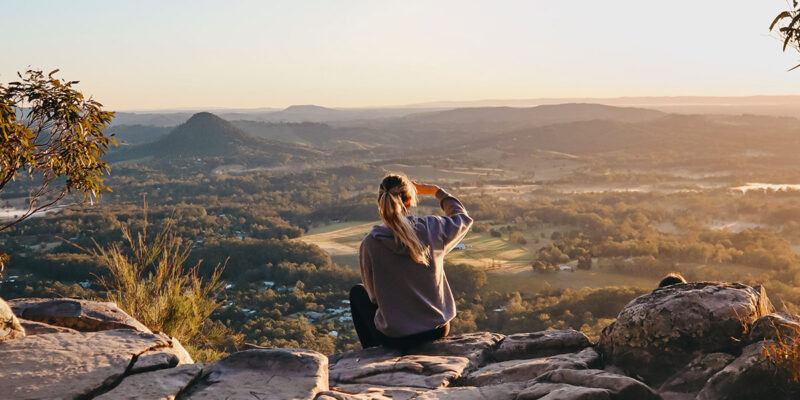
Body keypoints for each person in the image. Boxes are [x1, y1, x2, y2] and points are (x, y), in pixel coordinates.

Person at [350, 173, 473, 349]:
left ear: (380, 202)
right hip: (436, 329)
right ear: (409, 201)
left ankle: (372, 354)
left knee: (357, 293)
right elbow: (462, 218)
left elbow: (373, 296)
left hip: (396, 337)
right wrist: (438, 192)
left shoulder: (370, 243)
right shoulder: (432, 228)